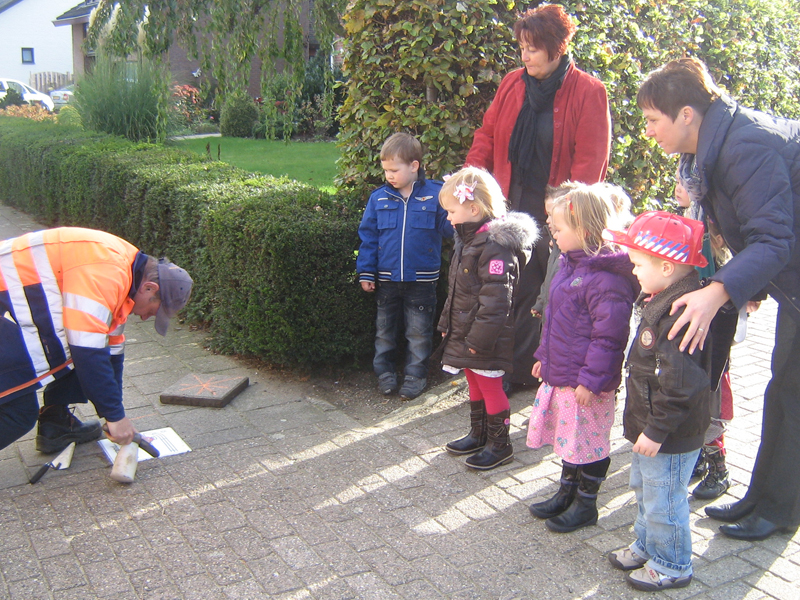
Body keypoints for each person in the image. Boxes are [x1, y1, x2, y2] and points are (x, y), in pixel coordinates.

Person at [638, 57, 800, 541]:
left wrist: (721, 289)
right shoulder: (718, 145)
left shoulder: (743, 145)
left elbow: (773, 239)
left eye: (651, 120)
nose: (648, 132)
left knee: (792, 391)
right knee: (783, 386)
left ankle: (779, 508)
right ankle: (764, 499)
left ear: (686, 114)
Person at [465, 3, 611, 390]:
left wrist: (569, 214)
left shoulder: (589, 91)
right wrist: (472, 177)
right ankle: (499, 366)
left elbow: (591, 162)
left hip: (553, 213)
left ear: (557, 47)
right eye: (522, 46)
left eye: (532, 47)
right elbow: (488, 134)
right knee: (502, 284)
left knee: (537, 291)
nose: (524, 55)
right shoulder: (513, 82)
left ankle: (521, 371)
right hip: (509, 206)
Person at [0, 227, 193, 452]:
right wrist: (115, 417)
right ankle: (55, 421)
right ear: (150, 288)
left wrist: (115, 414)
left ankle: (57, 423)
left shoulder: (127, 272)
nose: (144, 316)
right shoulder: (107, 273)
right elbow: (88, 350)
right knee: (18, 413)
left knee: (82, 346)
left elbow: (111, 351)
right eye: (153, 310)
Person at [603, 211, 712, 592]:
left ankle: (673, 563)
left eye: (637, 264)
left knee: (665, 500)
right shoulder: (661, 302)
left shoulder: (679, 315)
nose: (633, 271)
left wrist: (655, 430)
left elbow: (681, 385)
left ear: (666, 267)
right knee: (645, 489)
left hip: (669, 433)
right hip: (652, 428)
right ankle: (648, 545)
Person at [526, 186, 639, 532]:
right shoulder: (568, 264)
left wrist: (591, 381)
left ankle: (586, 503)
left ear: (585, 231)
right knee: (571, 438)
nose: (553, 234)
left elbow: (610, 338)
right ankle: (567, 491)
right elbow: (556, 322)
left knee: (589, 442)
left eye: (559, 229)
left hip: (588, 383)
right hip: (565, 375)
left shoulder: (606, 280)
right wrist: (543, 357)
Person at [438, 167, 539, 470]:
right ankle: (479, 432)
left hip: (485, 337)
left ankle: (500, 444)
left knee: (491, 385)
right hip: (466, 332)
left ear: (473, 208)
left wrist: (478, 340)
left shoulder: (494, 248)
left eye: (451, 211)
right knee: (473, 379)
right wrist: (446, 323)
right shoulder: (467, 240)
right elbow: (456, 290)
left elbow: (496, 302)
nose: (448, 218)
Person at [357, 133, 454, 400]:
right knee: (385, 331)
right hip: (386, 279)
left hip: (422, 280)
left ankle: (416, 375)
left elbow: (450, 229)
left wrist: (460, 201)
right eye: (386, 170)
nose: (389, 175)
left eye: (394, 170)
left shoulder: (435, 194)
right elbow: (368, 236)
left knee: (419, 332)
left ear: (414, 166)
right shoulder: (378, 198)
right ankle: (385, 373)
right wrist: (366, 270)